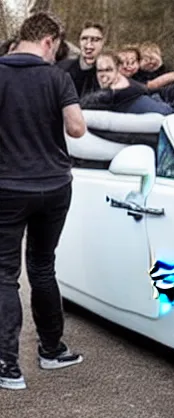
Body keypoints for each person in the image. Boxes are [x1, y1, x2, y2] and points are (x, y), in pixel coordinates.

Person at [0, 12, 87, 391]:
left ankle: (8, 366)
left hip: (8, 187)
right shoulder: (57, 78)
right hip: (53, 186)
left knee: (4, 273)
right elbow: (77, 127)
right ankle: (51, 350)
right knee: (42, 266)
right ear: (49, 41)